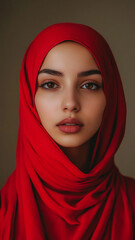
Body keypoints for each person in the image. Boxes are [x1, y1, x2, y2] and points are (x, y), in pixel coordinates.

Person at [0, 22, 135, 240]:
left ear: (111, 96)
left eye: (89, 85)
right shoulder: (4, 215)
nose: (70, 103)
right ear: (29, 98)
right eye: (50, 84)